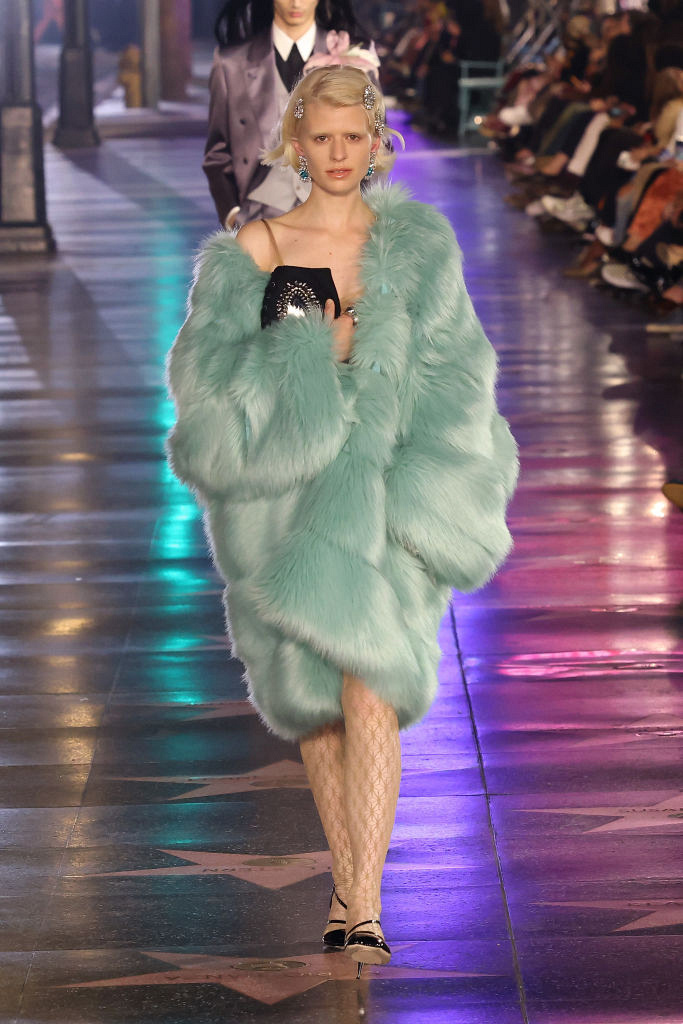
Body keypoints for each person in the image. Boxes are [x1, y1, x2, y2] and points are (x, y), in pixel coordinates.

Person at [167, 65, 518, 975]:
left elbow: (460, 376)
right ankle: (345, 888)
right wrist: (304, 356)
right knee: (319, 712)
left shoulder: (417, 248)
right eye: (319, 138)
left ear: (375, 142)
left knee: (370, 693)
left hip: (387, 501)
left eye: (351, 138)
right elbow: (204, 398)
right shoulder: (256, 249)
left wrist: (429, 498)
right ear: (295, 142)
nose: (335, 155)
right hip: (287, 509)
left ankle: (363, 904)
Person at [204, 0, 373, 228]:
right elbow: (217, 153)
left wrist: (369, 214)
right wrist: (232, 215)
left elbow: (378, 140)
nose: (296, 3)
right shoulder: (231, 63)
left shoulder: (355, 57)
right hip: (260, 217)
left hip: (339, 217)